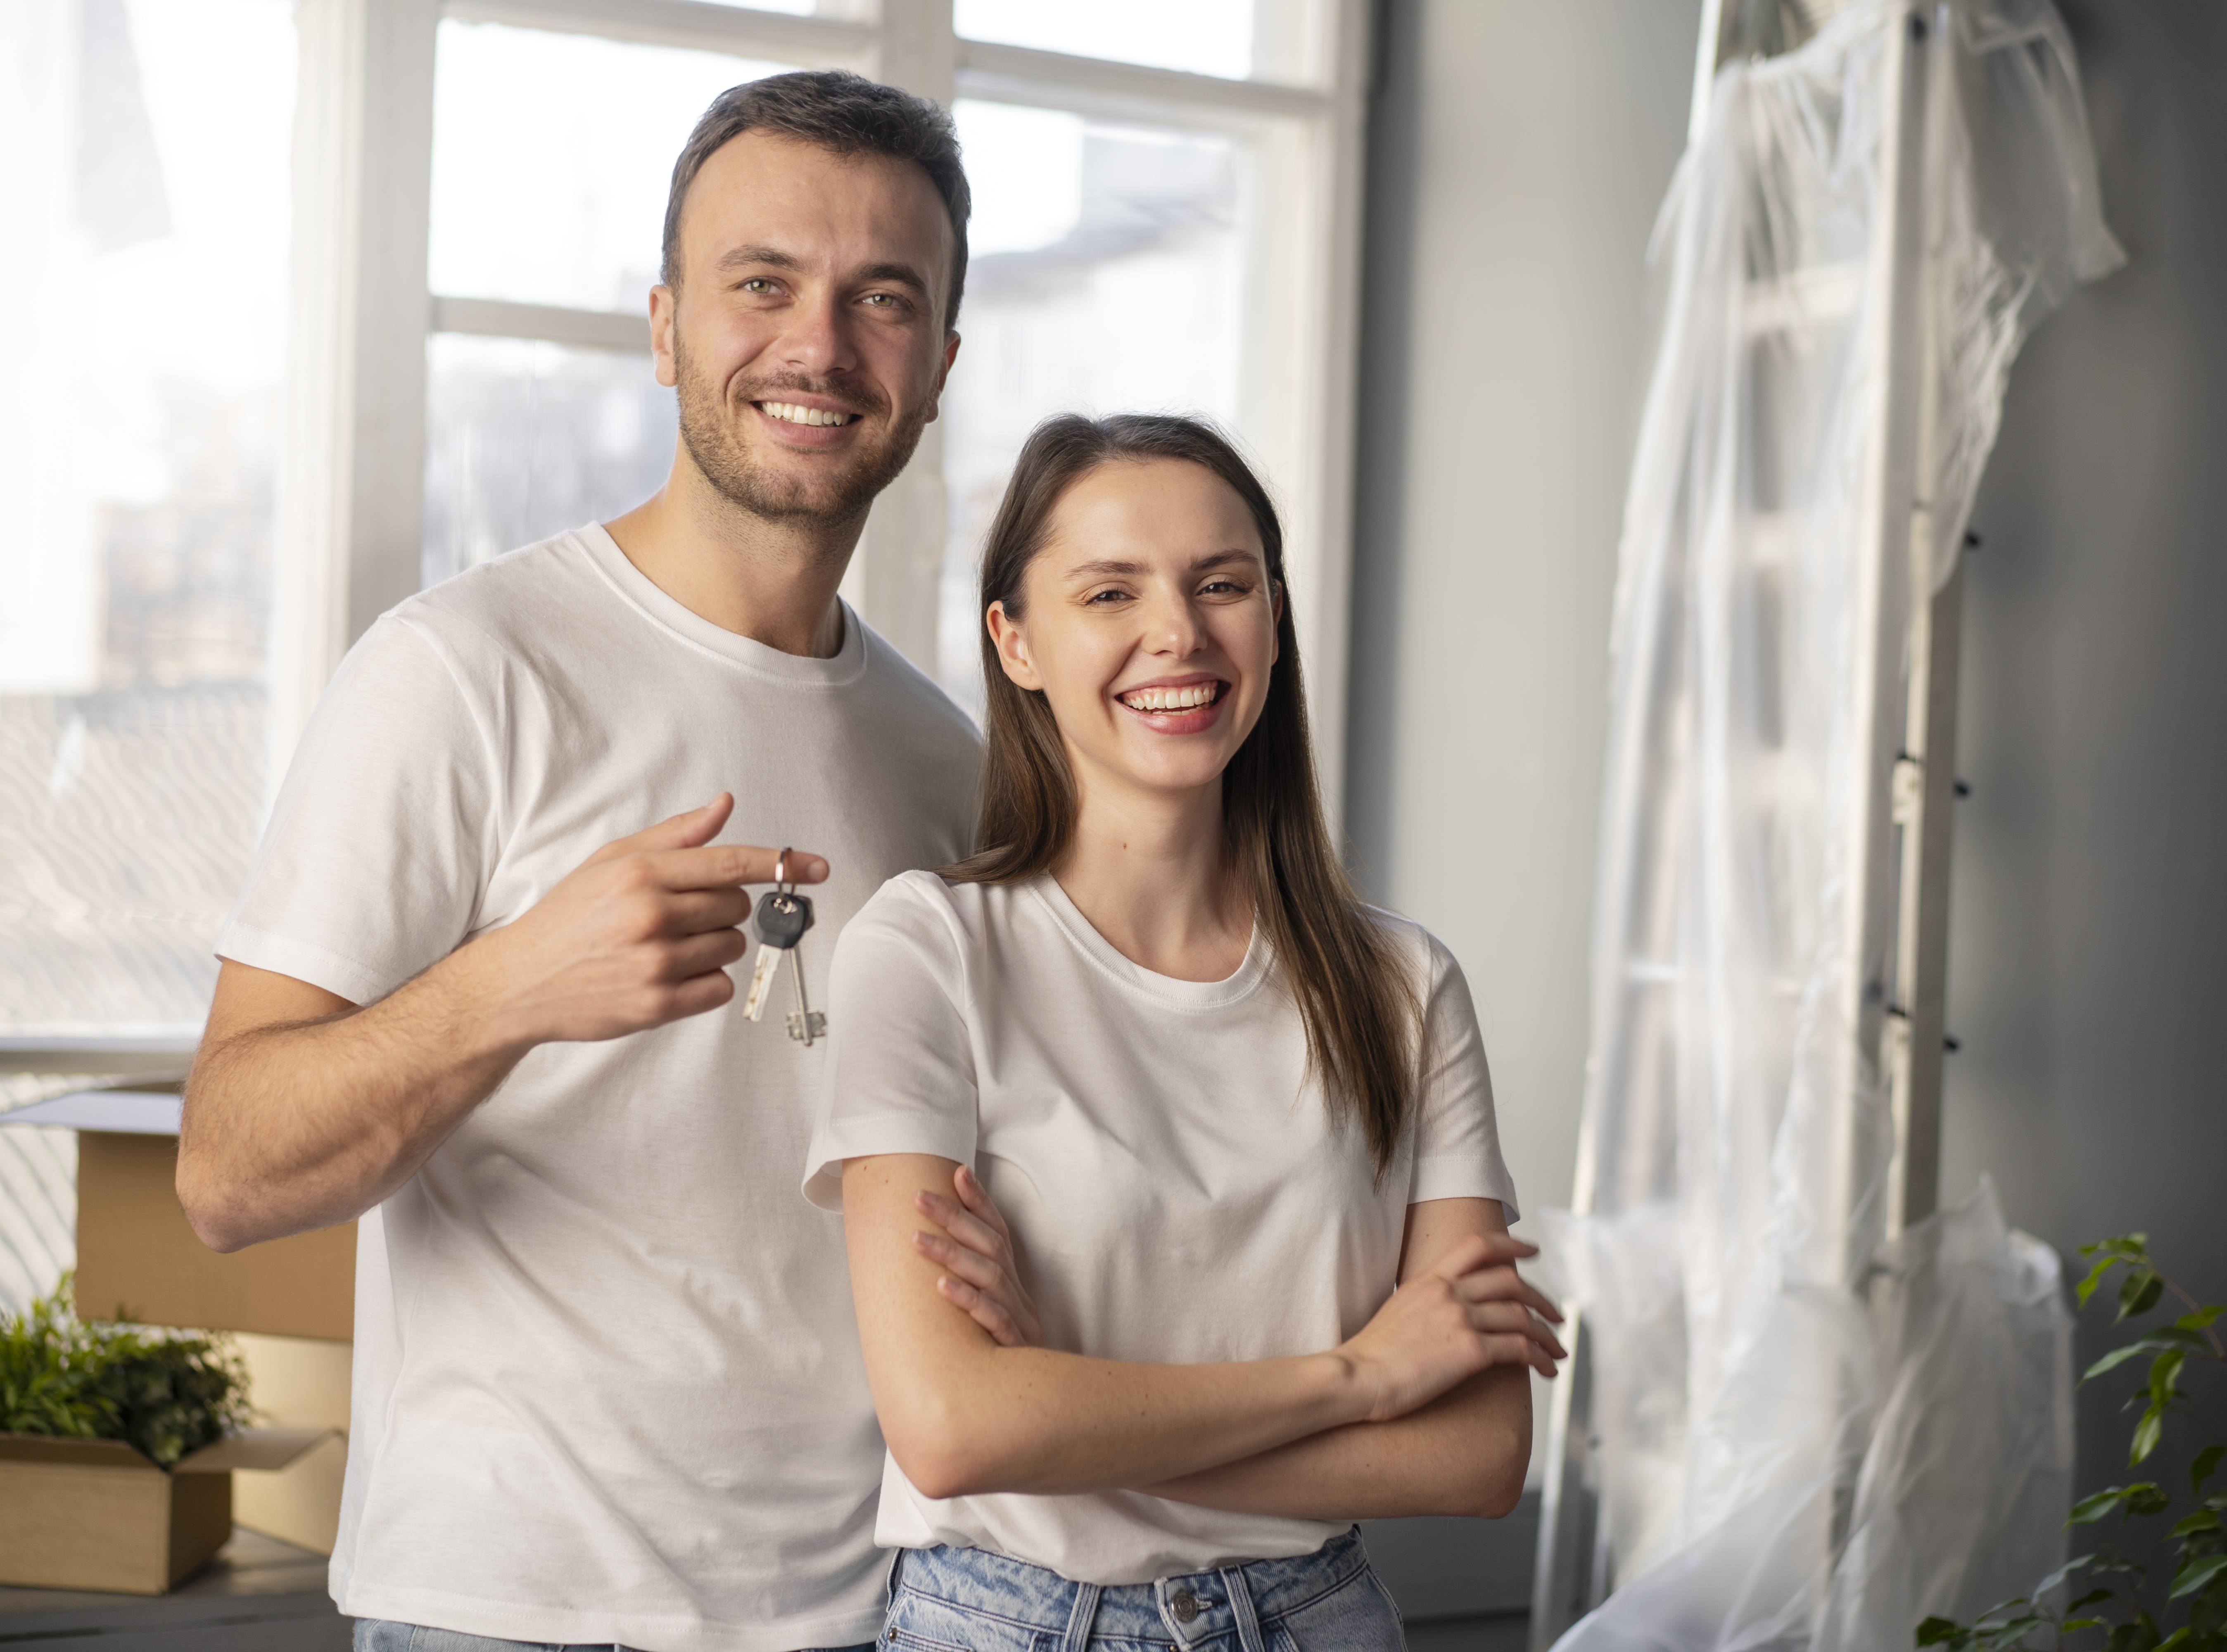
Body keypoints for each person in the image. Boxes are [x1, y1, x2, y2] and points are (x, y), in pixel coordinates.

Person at [176, 71, 1019, 1651]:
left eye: (882, 299)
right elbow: (226, 1171)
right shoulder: (465, 668)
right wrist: (510, 988)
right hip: (510, 1609)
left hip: (874, 1608)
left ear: (943, 362)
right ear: (663, 327)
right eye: (761, 283)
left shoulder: (950, 767)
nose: (818, 345)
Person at [805, 413, 1565, 1650]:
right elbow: (953, 1428)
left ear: (1272, 620)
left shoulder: (1402, 987)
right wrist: (1360, 1378)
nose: (1181, 632)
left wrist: (1075, 1403)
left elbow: (1477, 1453)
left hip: (1320, 1619)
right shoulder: (930, 950)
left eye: (1225, 584)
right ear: (1018, 641)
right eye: (1110, 590)